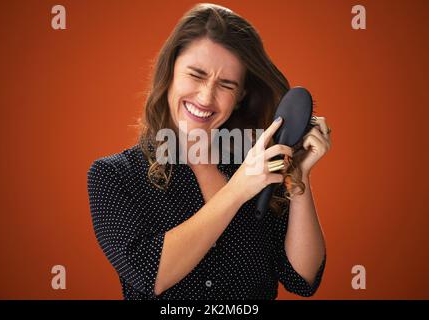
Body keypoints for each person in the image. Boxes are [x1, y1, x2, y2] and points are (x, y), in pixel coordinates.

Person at [87, 3, 331, 300]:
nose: (206, 97)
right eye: (196, 74)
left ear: (240, 96)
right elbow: (151, 274)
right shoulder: (113, 175)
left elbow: (302, 279)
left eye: (226, 85)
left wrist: (299, 179)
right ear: (171, 71)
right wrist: (239, 188)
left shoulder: (260, 165)